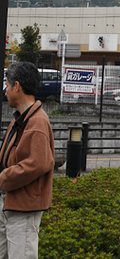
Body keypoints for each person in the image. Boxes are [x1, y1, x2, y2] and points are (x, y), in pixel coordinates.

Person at [0, 62, 55, 258]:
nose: (5, 89)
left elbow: (38, 163)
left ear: (17, 86)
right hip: (11, 203)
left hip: (24, 207)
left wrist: (3, 178)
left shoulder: (37, 122)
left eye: (7, 84)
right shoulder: (20, 119)